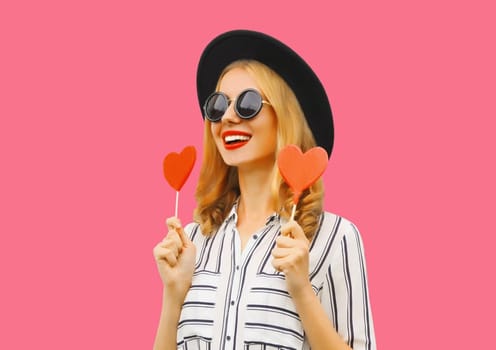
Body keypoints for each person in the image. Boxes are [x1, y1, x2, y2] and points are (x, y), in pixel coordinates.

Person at [154, 29, 375, 350]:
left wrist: (301, 290)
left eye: (248, 103)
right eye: (217, 106)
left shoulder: (335, 237)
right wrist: (173, 295)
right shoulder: (192, 242)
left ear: (284, 117)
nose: (228, 117)